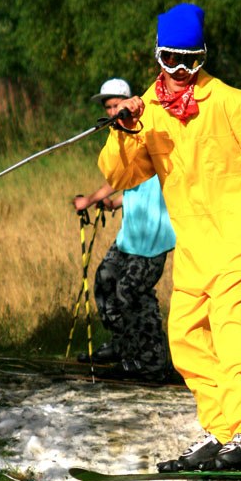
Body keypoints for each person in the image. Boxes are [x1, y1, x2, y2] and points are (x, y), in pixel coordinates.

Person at [96, 3, 241, 471]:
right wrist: (125, 130)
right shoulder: (147, 111)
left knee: (231, 326)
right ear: (157, 57)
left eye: (190, 61)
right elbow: (121, 173)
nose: (180, 71)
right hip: (196, 245)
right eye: (171, 59)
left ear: (203, 58)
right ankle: (224, 430)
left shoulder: (233, 103)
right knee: (186, 337)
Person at [74, 77, 176, 384]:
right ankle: (125, 346)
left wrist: (92, 198)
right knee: (106, 281)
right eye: (107, 107)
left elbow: (132, 175)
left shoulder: (143, 128)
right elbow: (134, 183)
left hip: (153, 236)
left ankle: (152, 362)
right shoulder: (122, 133)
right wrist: (116, 203)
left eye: (116, 104)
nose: (111, 111)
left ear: (130, 101)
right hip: (131, 235)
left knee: (132, 292)